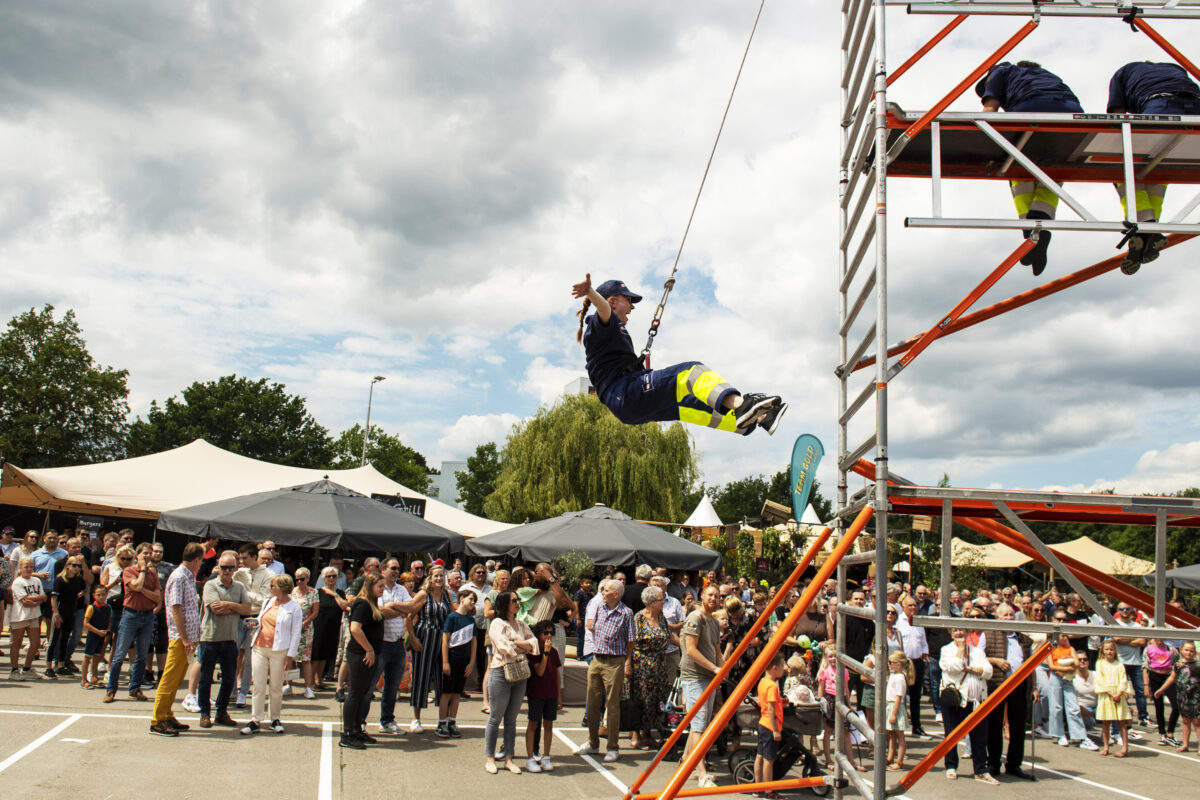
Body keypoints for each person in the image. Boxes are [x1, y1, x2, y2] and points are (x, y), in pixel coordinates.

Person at [571, 274, 786, 436]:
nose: (632, 307)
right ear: (613, 301)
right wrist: (590, 292)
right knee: (690, 373)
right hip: (625, 394)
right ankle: (742, 406)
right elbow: (603, 310)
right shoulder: (599, 325)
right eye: (629, 300)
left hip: (627, 401)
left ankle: (749, 421)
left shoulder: (609, 331)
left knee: (689, 403)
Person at [975, 61, 1084, 276]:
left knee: (1016, 168)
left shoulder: (1000, 71)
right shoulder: (1048, 74)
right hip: (1073, 116)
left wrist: (980, 142)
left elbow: (989, 110)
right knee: (1052, 172)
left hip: (1030, 110)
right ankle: (1040, 225)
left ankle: (1032, 232)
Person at [1107, 61, 1200, 272]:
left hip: (1160, 105)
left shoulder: (1122, 72)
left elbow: (1117, 116)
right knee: (1161, 165)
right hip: (1196, 109)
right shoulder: (1175, 68)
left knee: (1118, 166)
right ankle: (1149, 230)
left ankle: (1146, 224)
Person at [339, 572, 412, 749]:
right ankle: (348, 734)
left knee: (364, 691)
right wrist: (369, 649)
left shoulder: (372, 603)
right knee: (356, 693)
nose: (382, 589)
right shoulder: (362, 604)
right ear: (370, 586)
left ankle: (357, 730)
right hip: (360, 654)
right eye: (379, 586)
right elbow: (355, 629)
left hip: (370, 653)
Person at [574, 578, 634, 765]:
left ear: (615, 594)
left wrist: (627, 663)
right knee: (592, 702)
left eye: (606, 590)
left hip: (614, 661)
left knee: (612, 704)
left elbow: (630, 639)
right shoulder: (600, 607)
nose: (602, 592)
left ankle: (613, 747)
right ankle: (593, 742)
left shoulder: (626, 613)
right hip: (597, 658)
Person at [149, 542, 204, 737]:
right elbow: (175, 608)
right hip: (180, 638)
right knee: (170, 679)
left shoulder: (188, 576)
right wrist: (185, 638)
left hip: (187, 637)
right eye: (201, 560)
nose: (201, 564)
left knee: (178, 677)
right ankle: (158, 720)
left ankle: (166, 714)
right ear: (196, 559)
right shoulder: (179, 576)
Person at [370, 558, 427, 735]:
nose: (395, 571)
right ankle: (361, 721)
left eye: (397, 568)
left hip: (397, 644)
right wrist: (399, 610)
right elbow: (379, 613)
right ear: (383, 570)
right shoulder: (377, 588)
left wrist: (393, 606)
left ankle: (387, 721)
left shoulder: (401, 589)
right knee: (370, 685)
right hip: (380, 644)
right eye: (392, 568)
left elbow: (411, 608)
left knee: (392, 686)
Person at [484, 590, 539, 774]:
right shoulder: (497, 623)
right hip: (501, 672)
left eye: (518, 600)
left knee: (512, 719)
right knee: (495, 717)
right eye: (513, 600)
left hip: (520, 674)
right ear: (505, 604)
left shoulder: (521, 624)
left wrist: (516, 643)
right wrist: (520, 645)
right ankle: (490, 758)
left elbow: (534, 644)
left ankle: (509, 758)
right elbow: (503, 646)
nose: (517, 603)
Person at [982, 602, 1038, 778]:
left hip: (1018, 686)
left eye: (1011, 615)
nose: (1008, 618)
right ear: (998, 617)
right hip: (997, 685)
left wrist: (1034, 687)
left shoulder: (1023, 638)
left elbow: (1031, 665)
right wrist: (996, 661)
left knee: (1018, 727)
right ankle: (993, 763)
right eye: (1005, 615)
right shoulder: (988, 634)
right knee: (994, 725)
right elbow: (979, 657)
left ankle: (1014, 764)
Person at [241, 574, 302, 736]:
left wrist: (290, 656)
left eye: (273, 586)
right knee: (259, 686)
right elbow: (263, 621)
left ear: (281, 588)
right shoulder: (268, 602)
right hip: (260, 647)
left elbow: (296, 633)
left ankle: (275, 718)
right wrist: (255, 622)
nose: (270, 589)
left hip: (279, 651)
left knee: (276, 687)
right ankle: (255, 719)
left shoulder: (294, 607)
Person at [676, 583, 723, 788]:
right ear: (702, 596)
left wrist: (722, 669)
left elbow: (717, 650)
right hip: (695, 677)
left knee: (701, 723)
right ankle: (701, 771)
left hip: (709, 677)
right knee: (698, 725)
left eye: (717, 596)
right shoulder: (695, 618)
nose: (714, 598)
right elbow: (691, 650)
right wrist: (714, 668)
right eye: (710, 595)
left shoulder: (713, 622)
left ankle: (687, 761)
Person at [197, 550, 249, 729]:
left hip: (230, 638)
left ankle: (221, 711)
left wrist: (229, 605)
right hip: (210, 638)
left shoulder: (240, 587)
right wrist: (236, 608)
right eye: (224, 567)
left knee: (228, 678)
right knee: (205, 678)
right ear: (218, 568)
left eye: (230, 568)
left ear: (235, 569)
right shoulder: (210, 585)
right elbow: (215, 609)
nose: (227, 571)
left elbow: (247, 609)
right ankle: (205, 713)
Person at [104, 543, 162, 703]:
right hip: (130, 615)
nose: (148, 556)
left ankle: (135, 688)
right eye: (144, 554)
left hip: (147, 616)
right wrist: (142, 571)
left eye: (149, 554)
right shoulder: (129, 571)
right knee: (119, 654)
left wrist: (142, 590)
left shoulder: (153, 574)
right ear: (138, 556)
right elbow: (135, 585)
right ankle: (111, 689)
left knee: (141, 656)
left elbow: (157, 598)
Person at [939, 626, 994, 783]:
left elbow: (988, 671)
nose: (959, 633)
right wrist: (961, 649)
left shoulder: (977, 651)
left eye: (962, 630)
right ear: (951, 633)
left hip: (977, 700)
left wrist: (972, 669)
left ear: (968, 632)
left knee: (979, 736)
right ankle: (951, 766)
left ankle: (980, 769)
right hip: (955, 700)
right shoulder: (946, 650)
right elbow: (954, 667)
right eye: (955, 630)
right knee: (951, 734)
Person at [408, 563, 453, 733]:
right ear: (430, 577)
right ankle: (416, 718)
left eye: (441, 575)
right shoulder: (423, 594)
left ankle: (443, 719)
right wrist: (412, 638)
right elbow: (409, 615)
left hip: (442, 638)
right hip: (425, 636)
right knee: (421, 676)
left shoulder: (447, 595)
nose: (439, 579)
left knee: (442, 677)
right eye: (436, 576)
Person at [629, 585, 674, 751]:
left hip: (659, 665)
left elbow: (669, 635)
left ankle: (648, 734)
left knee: (656, 700)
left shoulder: (660, 616)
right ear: (651, 602)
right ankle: (636, 735)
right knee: (641, 699)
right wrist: (628, 664)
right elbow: (631, 643)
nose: (663, 602)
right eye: (661, 600)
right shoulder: (639, 618)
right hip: (643, 665)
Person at [233, 545, 273, 708]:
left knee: (250, 658)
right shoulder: (239, 573)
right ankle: (230, 689)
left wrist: (244, 593)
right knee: (232, 654)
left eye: (245, 558)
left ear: (254, 557)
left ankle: (243, 692)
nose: (242, 561)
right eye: (240, 558)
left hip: (255, 618)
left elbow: (265, 599)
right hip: (238, 616)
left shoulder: (268, 574)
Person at [1045, 626, 1094, 749]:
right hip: (1056, 677)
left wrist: (1068, 667)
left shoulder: (1070, 648)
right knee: (1056, 706)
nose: (1064, 638)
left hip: (1068, 678)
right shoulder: (1050, 648)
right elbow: (1051, 665)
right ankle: (1058, 733)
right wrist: (1065, 668)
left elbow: (1077, 663)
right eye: (1062, 636)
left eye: (1065, 636)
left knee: (1073, 706)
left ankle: (1079, 735)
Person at [524, 619, 562, 773]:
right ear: (538, 635)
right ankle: (530, 757)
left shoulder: (555, 652)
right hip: (537, 693)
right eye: (545, 633)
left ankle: (546, 756)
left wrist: (559, 696)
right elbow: (539, 671)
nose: (548, 636)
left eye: (551, 633)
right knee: (533, 724)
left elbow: (557, 674)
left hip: (551, 693)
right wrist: (545, 653)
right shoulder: (535, 651)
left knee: (549, 725)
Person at [441, 588, 478, 740]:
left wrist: (471, 662)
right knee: (447, 693)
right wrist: (445, 661)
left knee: (457, 693)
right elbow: (445, 639)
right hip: (452, 659)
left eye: (474, 600)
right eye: (470, 599)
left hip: (464, 661)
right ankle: (442, 722)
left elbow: (474, 642)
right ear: (461, 598)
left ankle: (452, 721)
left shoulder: (471, 620)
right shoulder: (452, 617)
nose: (472, 602)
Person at [46, 555, 87, 678]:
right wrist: (56, 614)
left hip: (71, 609)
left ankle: (61, 665)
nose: (76, 568)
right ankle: (48, 667)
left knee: (65, 638)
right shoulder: (60, 580)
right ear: (67, 566)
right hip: (61, 609)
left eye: (78, 566)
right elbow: (54, 598)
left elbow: (77, 593)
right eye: (74, 565)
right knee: (54, 639)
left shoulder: (78, 580)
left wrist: (80, 595)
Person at [895, 596, 930, 738]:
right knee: (901, 696)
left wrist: (924, 654)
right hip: (903, 663)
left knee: (916, 697)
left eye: (915, 606)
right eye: (910, 606)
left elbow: (923, 641)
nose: (913, 608)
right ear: (903, 607)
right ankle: (900, 728)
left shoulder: (918, 622)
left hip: (917, 662)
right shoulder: (898, 622)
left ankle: (917, 726)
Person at [754, 653, 788, 798]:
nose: (784, 669)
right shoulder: (772, 686)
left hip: (763, 723)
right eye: (782, 666)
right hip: (770, 725)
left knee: (760, 756)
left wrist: (781, 701)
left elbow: (765, 703)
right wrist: (776, 730)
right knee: (769, 759)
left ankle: (757, 787)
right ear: (774, 668)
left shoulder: (763, 682)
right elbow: (771, 710)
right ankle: (769, 790)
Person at [310, 566, 349, 692]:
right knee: (316, 654)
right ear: (323, 578)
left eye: (334, 576)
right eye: (328, 576)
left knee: (326, 654)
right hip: (319, 626)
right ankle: (310, 682)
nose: (331, 578)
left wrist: (334, 594)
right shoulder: (317, 592)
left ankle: (319, 680)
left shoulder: (341, 593)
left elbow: (344, 606)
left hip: (333, 626)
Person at [1112, 602, 1150, 727]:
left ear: (1131, 610)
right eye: (1122, 609)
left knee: (1139, 691)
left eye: (1127, 608)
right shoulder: (1115, 624)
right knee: (1121, 690)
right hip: (1120, 662)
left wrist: (1124, 639)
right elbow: (1116, 639)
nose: (1125, 611)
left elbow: (1143, 641)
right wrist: (1133, 638)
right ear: (1118, 610)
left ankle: (1143, 716)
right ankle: (1122, 715)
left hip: (1136, 662)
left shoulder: (1137, 625)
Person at [285, 567, 319, 699]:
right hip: (291, 629)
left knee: (305, 660)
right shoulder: (291, 592)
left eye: (302, 579)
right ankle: (288, 685)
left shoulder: (313, 592)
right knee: (289, 658)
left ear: (308, 579)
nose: (299, 581)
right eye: (297, 579)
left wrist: (305, 622)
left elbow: (315, 612)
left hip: (306, 630)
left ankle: (308, 687)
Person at [9, 558, 46, 678]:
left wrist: (36, 599)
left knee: (35, 642)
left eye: (31, 567)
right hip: (20, 616)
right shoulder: (18, 582)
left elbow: (43, 597)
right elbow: (24, 600)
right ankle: (14, 670)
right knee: (17, 642)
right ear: (20, 568)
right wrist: (38, 598)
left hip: (34, 615)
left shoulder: (36, 580)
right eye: (26, 567)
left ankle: (27, 668)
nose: (29, 569)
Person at [1095, 639, 1132, 757]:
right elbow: (1099, 680)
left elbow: (1123, 679)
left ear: (1115, 651)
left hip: (1118, 695)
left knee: (1122, 722)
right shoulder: (1100, 663)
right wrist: (1111, 694)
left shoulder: (1119, 664)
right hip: (1107, 695)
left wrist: (1119, 693)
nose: (1109, 652)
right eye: (1107, 649)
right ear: (1102, 651)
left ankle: (1125, 748)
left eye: (1111, 649)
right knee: (1106, 722)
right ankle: (1106, 747)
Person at [1161, 641, 1198, 753]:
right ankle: (1185, 744)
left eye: (1192, 651)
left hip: (1196, 697)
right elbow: (1172, 678)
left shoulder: (1198, 664)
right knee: (1185, 720)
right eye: (1186, 650)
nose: (1189, 653)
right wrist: (1161, 689)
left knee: (1197, 721)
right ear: (1181, 650)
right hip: (1183, 696)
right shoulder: (1178, 665)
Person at [1144, 637, 1181, 747]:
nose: (1160, 640)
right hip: (1155, 676)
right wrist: (1146, 685)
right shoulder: (1148, 649)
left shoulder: (1171, 649)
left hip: (1168, 676)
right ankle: (1162, 734)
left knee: (1176, 705)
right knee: (1158, 706)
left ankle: (1170, 733)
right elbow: (1145, 667)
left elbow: (1177, 663)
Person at [886, 651, 914, 771]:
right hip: (890, 705)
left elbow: (898, 697)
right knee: (891, 735)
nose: (890, 665)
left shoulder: (900, 678)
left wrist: (893, 713)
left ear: (899, 664)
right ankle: (890, 757)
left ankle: (899, 761)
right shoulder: (894, 675)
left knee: (899, 735)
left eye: (892, 663)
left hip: (895, 707)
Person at [80, 584, 110, 688]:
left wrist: (107, 632)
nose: (101, 597)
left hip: (101, 636)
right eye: (98, 595)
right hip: (93, 635)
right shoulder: (91, 607)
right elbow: (86, 623)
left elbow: (109, 621)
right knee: (87, 657)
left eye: (103, 594)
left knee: (97, 657)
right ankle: (83, 680)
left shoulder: (107, 607)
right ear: (94, 595)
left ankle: (94, 678)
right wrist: (97, 631)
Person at [573, 576, 596, 660]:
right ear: (581, 584)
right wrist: (578, 618)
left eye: (590, 583)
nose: (588, 585)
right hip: (581, 618)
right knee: (581, 637)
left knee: (587, 637)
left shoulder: (591, 594)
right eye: (586, 583)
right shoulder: (579, 593)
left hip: (588, 618)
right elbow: (575, 606)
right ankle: (579, 654)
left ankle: (586, 653)